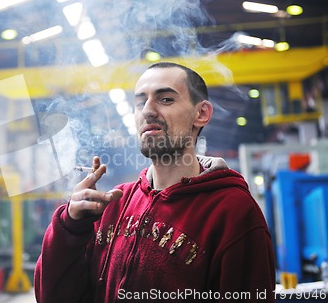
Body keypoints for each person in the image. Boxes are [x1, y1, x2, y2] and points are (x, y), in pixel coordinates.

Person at [34, 62, 276, 302]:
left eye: (166, 100)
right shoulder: (115, 206)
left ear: (201, 114)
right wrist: (70, 227)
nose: (148, 111)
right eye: (140, 102)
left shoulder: (233, 212)